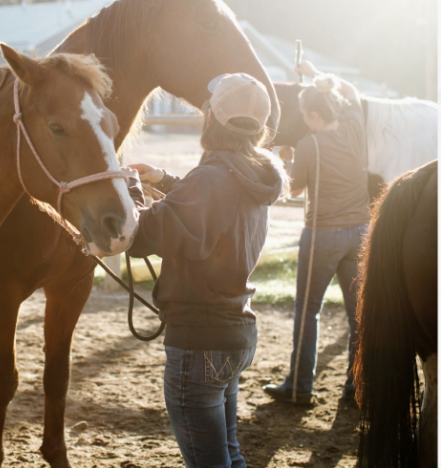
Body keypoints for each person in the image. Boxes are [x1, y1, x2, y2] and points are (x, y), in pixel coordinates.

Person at [123, 73, 287, 468]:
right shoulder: (253, 173)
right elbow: (209, 200)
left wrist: (129, 193)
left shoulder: (211, 178)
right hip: (235, 334)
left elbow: (145, 237)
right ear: (261, 127)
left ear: (212, 118)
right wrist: (164, 180)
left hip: (199, 341)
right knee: (229, 455)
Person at [262, 60, 370, 404]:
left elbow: (293, 189)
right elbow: (350, 91)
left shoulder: (310, 144)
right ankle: (357, 385)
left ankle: (299, 386)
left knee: (308, 310)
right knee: (358, 314)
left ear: (311, 116)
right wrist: (315, 74)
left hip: (323, 234)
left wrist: (286, 159)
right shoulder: (356, 125)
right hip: (361, 232)